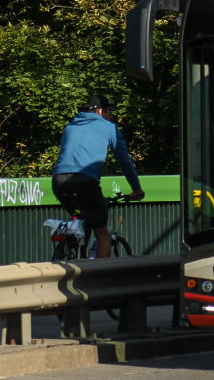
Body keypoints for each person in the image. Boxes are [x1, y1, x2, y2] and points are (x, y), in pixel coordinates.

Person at [52, 95, 145, 258]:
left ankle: (66, 255)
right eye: (109, 112)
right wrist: (136, 188)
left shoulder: (70, 127)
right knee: (102, 233)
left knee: (80, 220)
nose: (111, 117)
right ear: (101, 111)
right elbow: (124, 161)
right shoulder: (109, 127)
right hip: (85, 182)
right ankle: (103, 276)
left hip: (59, 181)